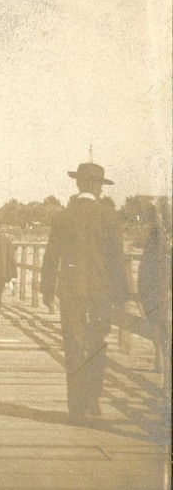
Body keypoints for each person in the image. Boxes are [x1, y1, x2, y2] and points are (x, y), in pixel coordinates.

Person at [40, 162, 129, 424]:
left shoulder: (63, 217)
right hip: (101, 293)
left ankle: (76, 406)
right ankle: (93, 396)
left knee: (74, 345)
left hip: (70, 291)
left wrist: (46, 289)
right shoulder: (109, 216)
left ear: (78, 184)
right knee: (98, 342)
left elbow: (51, 256)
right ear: (99, 187)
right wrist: (122, 295)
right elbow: (116, 258)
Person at [137, 198, 172, 374]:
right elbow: (145, 264)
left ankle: (165, 372)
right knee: (157, 327)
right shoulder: (154, 235)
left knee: (163, 328)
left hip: (163, 289)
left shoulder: (164, 235)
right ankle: (159, 364)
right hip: (154, 288)